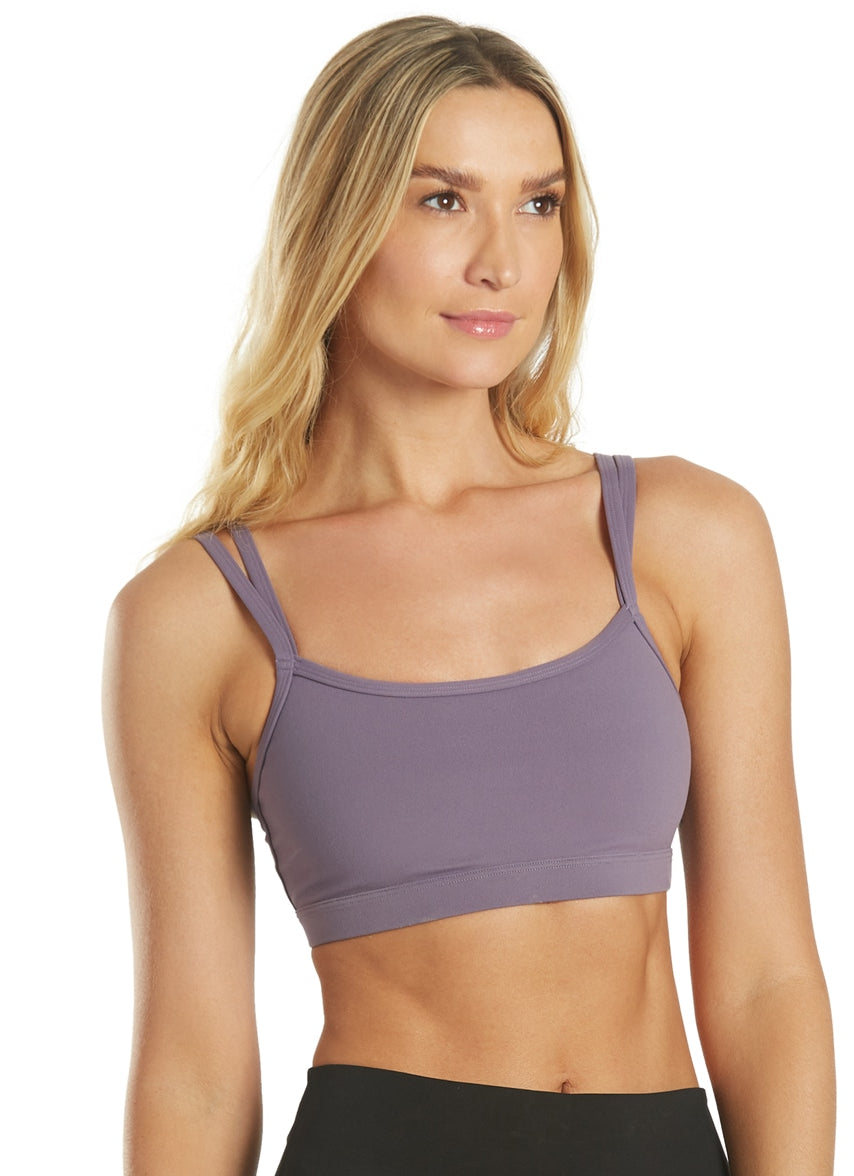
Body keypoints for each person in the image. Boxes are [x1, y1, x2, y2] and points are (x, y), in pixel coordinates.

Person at [102, 15, 835, 1175]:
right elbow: (193, 1070)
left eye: (537, 205)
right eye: (442, 200)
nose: (501, 261)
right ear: (335, 223)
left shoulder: (686, 538)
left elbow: (765, 979)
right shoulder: (199, 614)